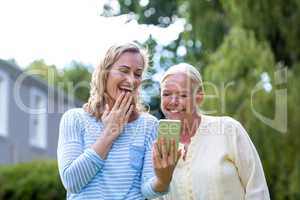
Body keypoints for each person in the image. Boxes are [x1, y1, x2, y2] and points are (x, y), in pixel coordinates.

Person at [57, 42, 178, 200]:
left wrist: (163, 179)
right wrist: (109, 133)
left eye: (137, 74)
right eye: (124, 71)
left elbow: (148, 190)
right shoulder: (74, 119)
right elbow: (72, 181)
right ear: (104, 73)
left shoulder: (148, 125)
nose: (131, 80)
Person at [156, 63, 270, 200]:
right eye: (167, 94)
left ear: (199, 96)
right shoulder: (155, 145)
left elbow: (257, 190)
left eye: (183, 95)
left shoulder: (229, 130)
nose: (173, 101)